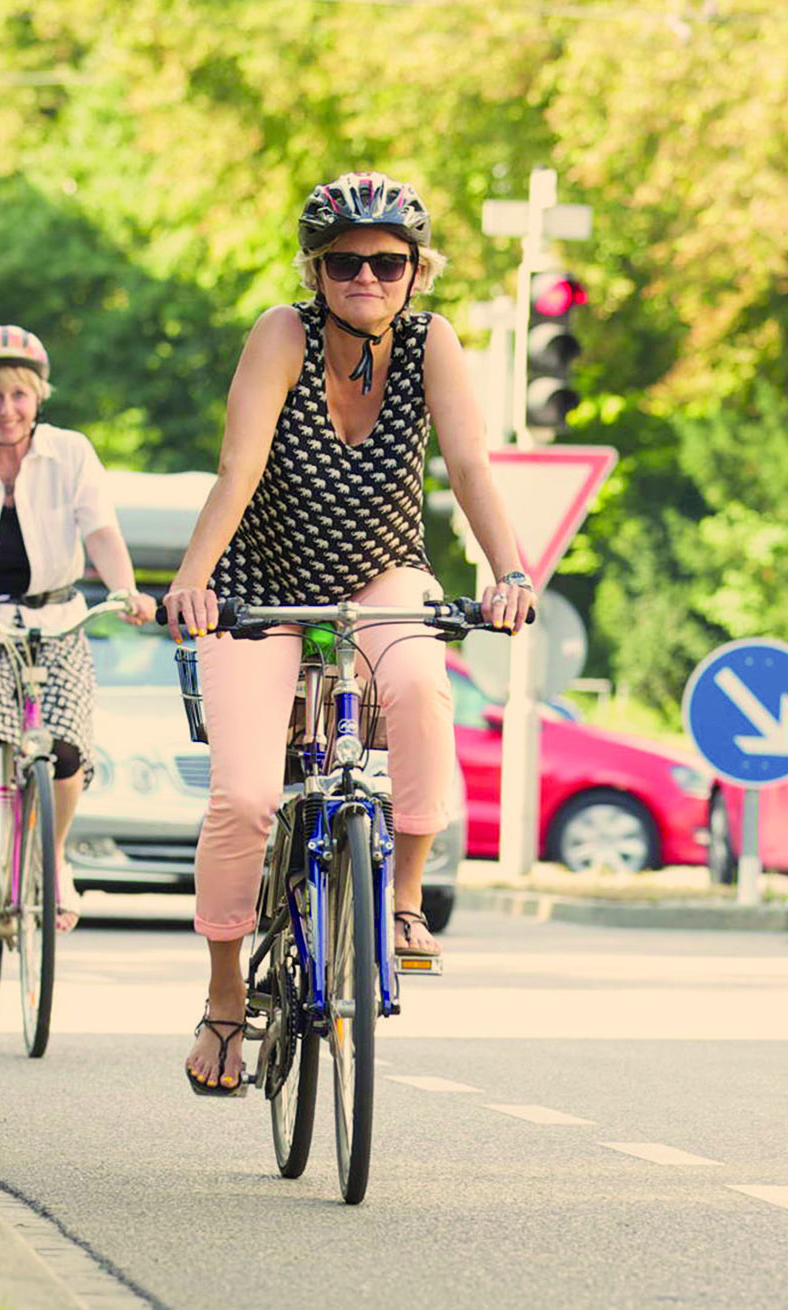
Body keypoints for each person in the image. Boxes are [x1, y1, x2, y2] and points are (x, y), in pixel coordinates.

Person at [161, 173, 536, 1094]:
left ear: (416, 271)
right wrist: (195, 580)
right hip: (263, 586)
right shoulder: (280, 335)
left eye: (387, 262)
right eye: (344, 262)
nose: (365, 276)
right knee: (247, 797)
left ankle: (404, 903)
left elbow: (470, 466)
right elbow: (238, 466)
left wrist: (510, 571)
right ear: (317, 270)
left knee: (418, 684)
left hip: (381, 574)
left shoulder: (431, 343)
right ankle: (222, 1003)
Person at [0, 325, 157, 943]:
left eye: (19, 394)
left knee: (67, 751)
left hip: (58, 618)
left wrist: (124, 590)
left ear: (39, 396)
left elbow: (100, 531)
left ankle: (50, 856)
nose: (6, 408)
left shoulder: (71, 453)